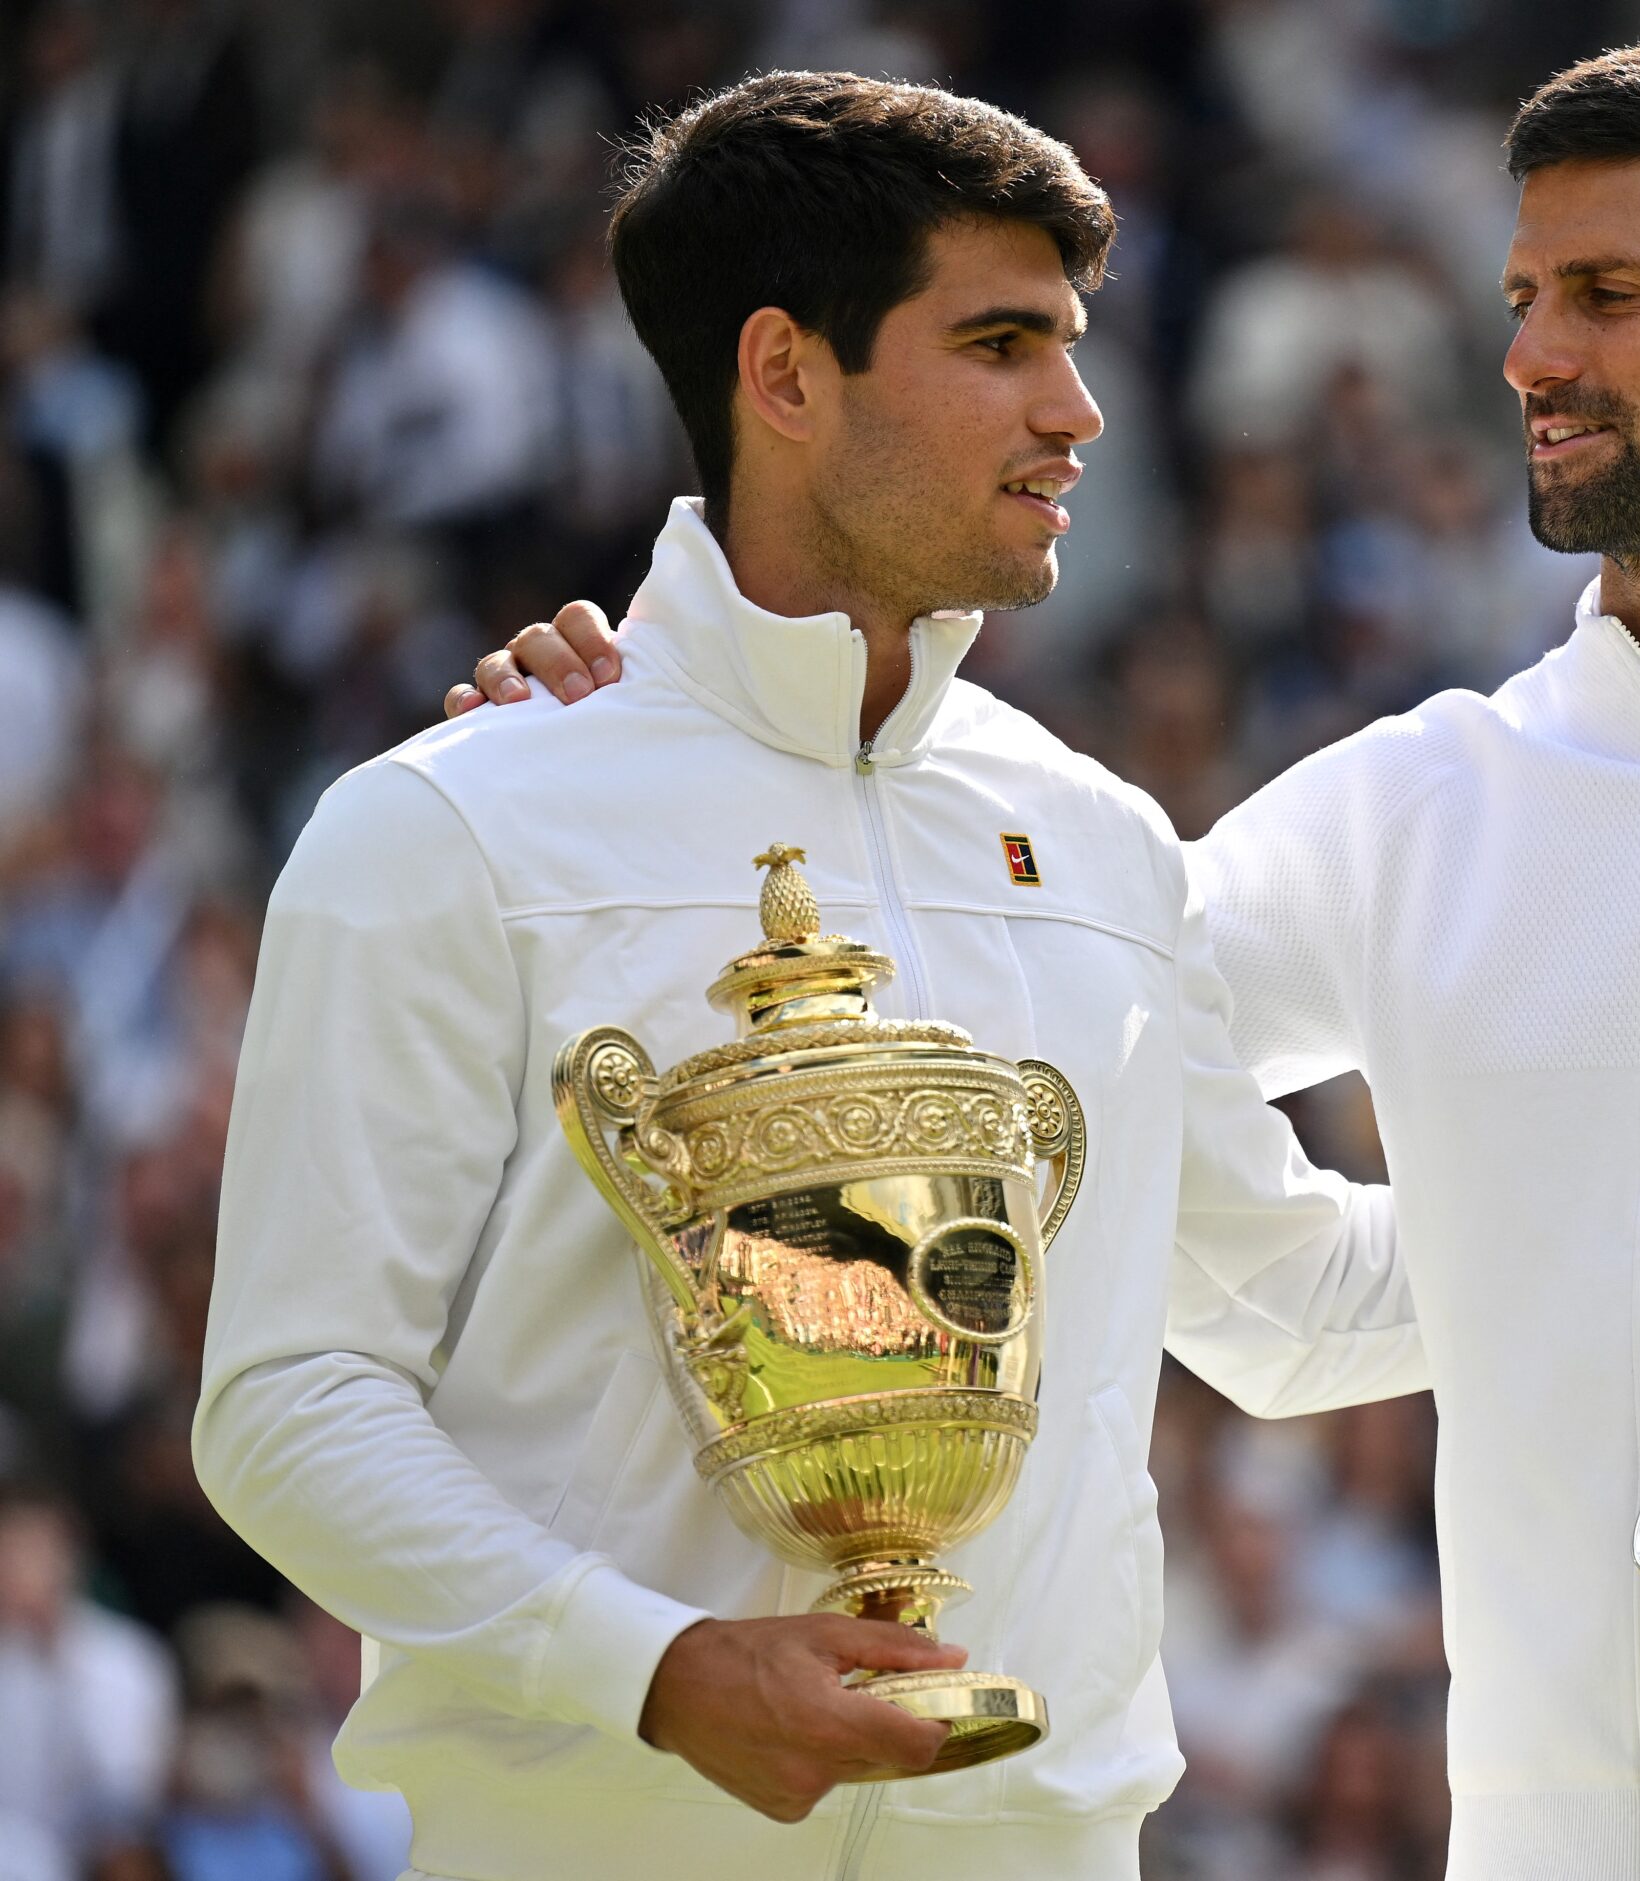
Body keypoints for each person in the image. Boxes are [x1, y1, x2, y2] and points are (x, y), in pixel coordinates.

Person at [462, 42, 1640, 1878]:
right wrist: (662, 743)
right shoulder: (1419, 802)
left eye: (1606, 295)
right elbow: (1014, 981)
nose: (1530, 358)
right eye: (1520, 299)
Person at [198, 74, 1421, 1881]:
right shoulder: (450, 828)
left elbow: (1290, 1302)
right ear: (784, 374)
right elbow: (290, 1405)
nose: (1077, 412)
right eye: (999, 342)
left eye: (1070, 345)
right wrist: (664, 1673)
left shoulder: (1098, 838)